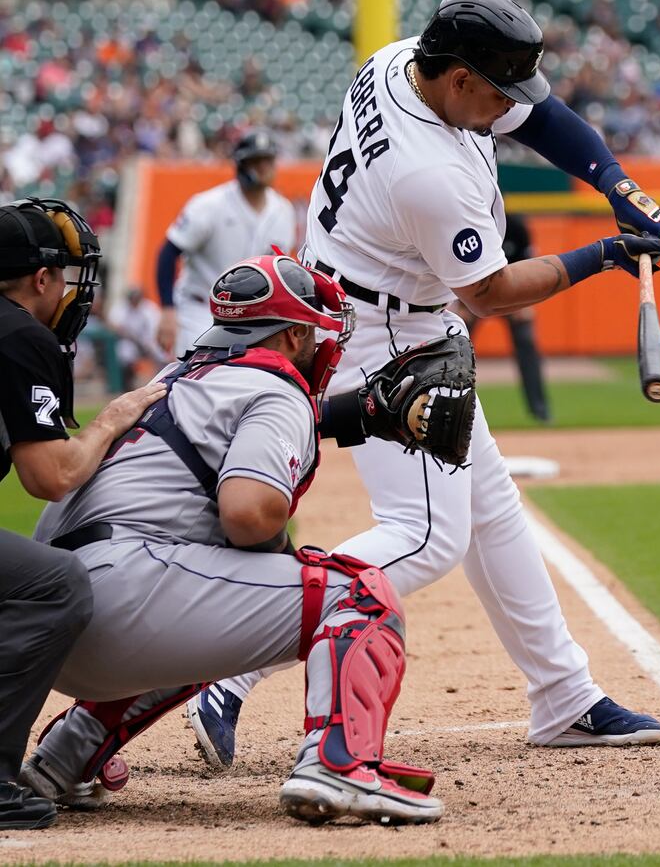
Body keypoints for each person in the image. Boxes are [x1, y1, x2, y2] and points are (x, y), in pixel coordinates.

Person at [189, 0, 660, 769]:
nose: (505, 106)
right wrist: (605, 257)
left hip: (386, 307)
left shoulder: (403, 63)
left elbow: (541, 117)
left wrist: (613, 182)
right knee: (427, 535)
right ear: (455, 80)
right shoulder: (427, 173)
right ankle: (228, 667)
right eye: (493, 91)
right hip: (380, 335)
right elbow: (489, 293)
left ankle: (564, 697)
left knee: (492, 507)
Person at [17, 252, 454, 826]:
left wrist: (360, 416)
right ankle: (338, 765)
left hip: (55, 621)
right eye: (315, 332)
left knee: (214, 594)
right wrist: (285, 555)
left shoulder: (173, 377)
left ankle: (63, 758)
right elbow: (247, 515)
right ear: (295, 333)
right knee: (359, 593)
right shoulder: (277, 385)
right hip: (127, 595)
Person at [0, 198, 166, 830]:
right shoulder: (19, 333)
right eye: (64, 275)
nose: (70, 291)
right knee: (55, 582)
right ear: (41, 279)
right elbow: (52, 477)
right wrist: (112, 419)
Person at [156, 129, 296, 359]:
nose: (263, 167)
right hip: (200, 309)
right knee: (199, 381)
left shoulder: (283, 210)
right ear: (241, 165)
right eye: (255, 161)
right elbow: (169, 252)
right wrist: (167, 309)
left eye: (267, 160)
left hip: (251, 317)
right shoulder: (209, 205)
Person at [455, 214, 551, 423]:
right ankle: (451, 408)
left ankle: (540, 410)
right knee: (455, 348)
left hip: (512, 296)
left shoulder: (516, 227)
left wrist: (525, 303)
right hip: (475, 295)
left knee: (526, 341)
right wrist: (462, 305)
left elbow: (530, 266)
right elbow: (456, 267)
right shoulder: (468, 224)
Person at [107, 286, 168, 390]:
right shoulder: (121, 307)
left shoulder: (149, 307)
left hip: (148, 341)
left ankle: (163, 381)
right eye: (132, 298)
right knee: (124, 353)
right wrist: (127, 334)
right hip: (129, 341)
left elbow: (155, 329)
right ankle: (126, 385)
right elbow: (113, 325)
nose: (134, 300)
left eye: (137, 298)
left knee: (162, 355)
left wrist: (148, 343)